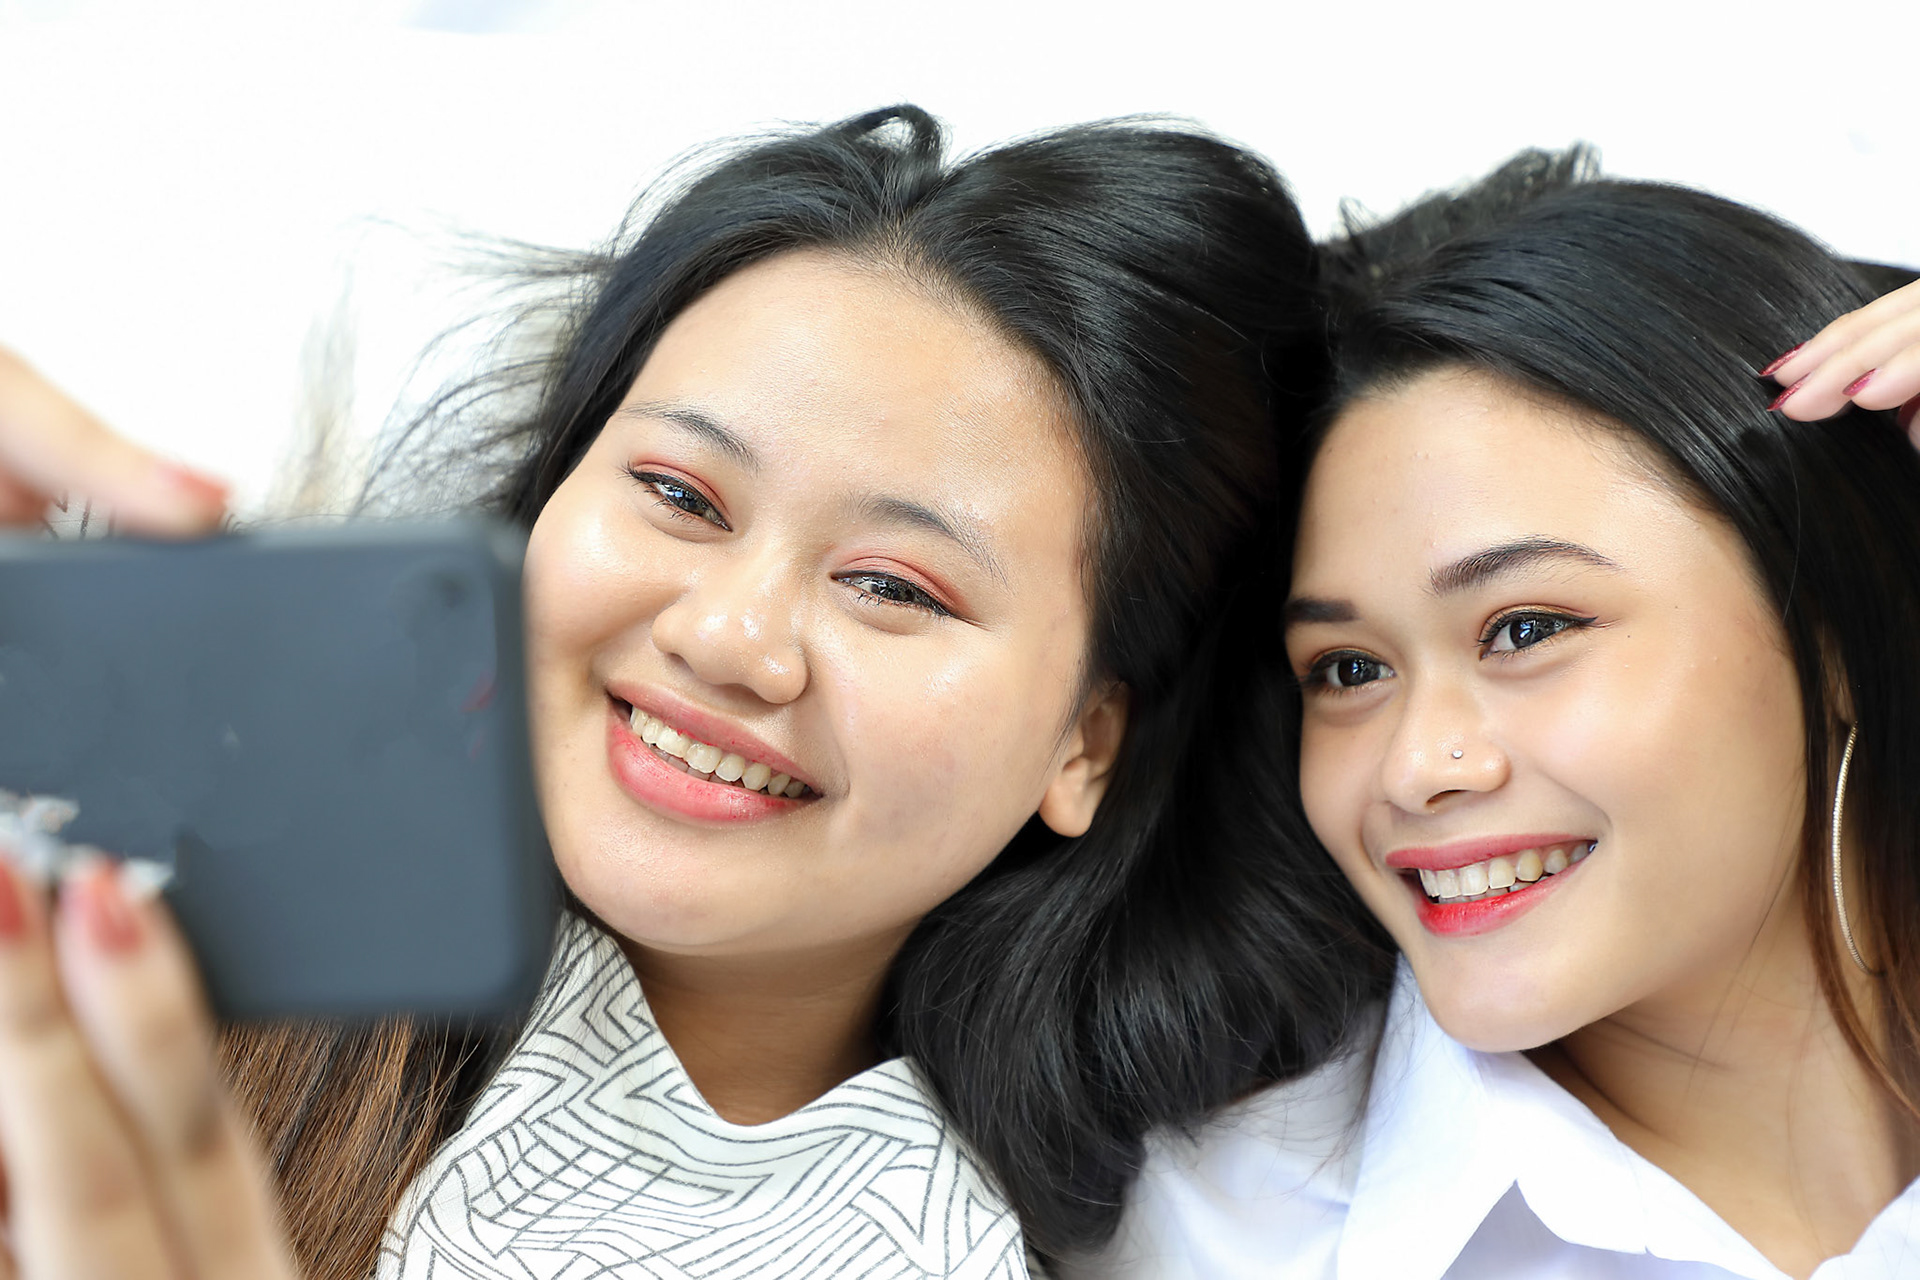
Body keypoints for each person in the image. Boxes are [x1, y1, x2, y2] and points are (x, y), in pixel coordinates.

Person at [0, 106, 1376, 1279]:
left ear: (1087, 745)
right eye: (675, 492)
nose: (733, 638)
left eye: (896, 586)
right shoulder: (105, 906)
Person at [1076, 156, 1920, 1280]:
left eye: (1524, 629)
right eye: (1346, 668)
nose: (1416, 767)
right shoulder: (1224, 1238)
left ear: (1831, 632)